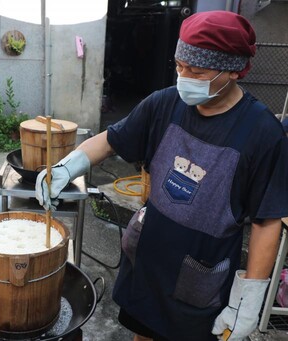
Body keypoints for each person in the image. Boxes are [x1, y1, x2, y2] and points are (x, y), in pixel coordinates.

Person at [35, 11, 288, 341]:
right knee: (143, 332)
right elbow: (112, 140)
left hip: (201, 275)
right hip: (148, 260)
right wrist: (66, 168)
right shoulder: (164, 104)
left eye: (196, 71)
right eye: (180, 66)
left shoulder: (261, 132)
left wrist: (248, 299)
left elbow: (267, 221)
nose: (184, 76)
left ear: (233, 70)